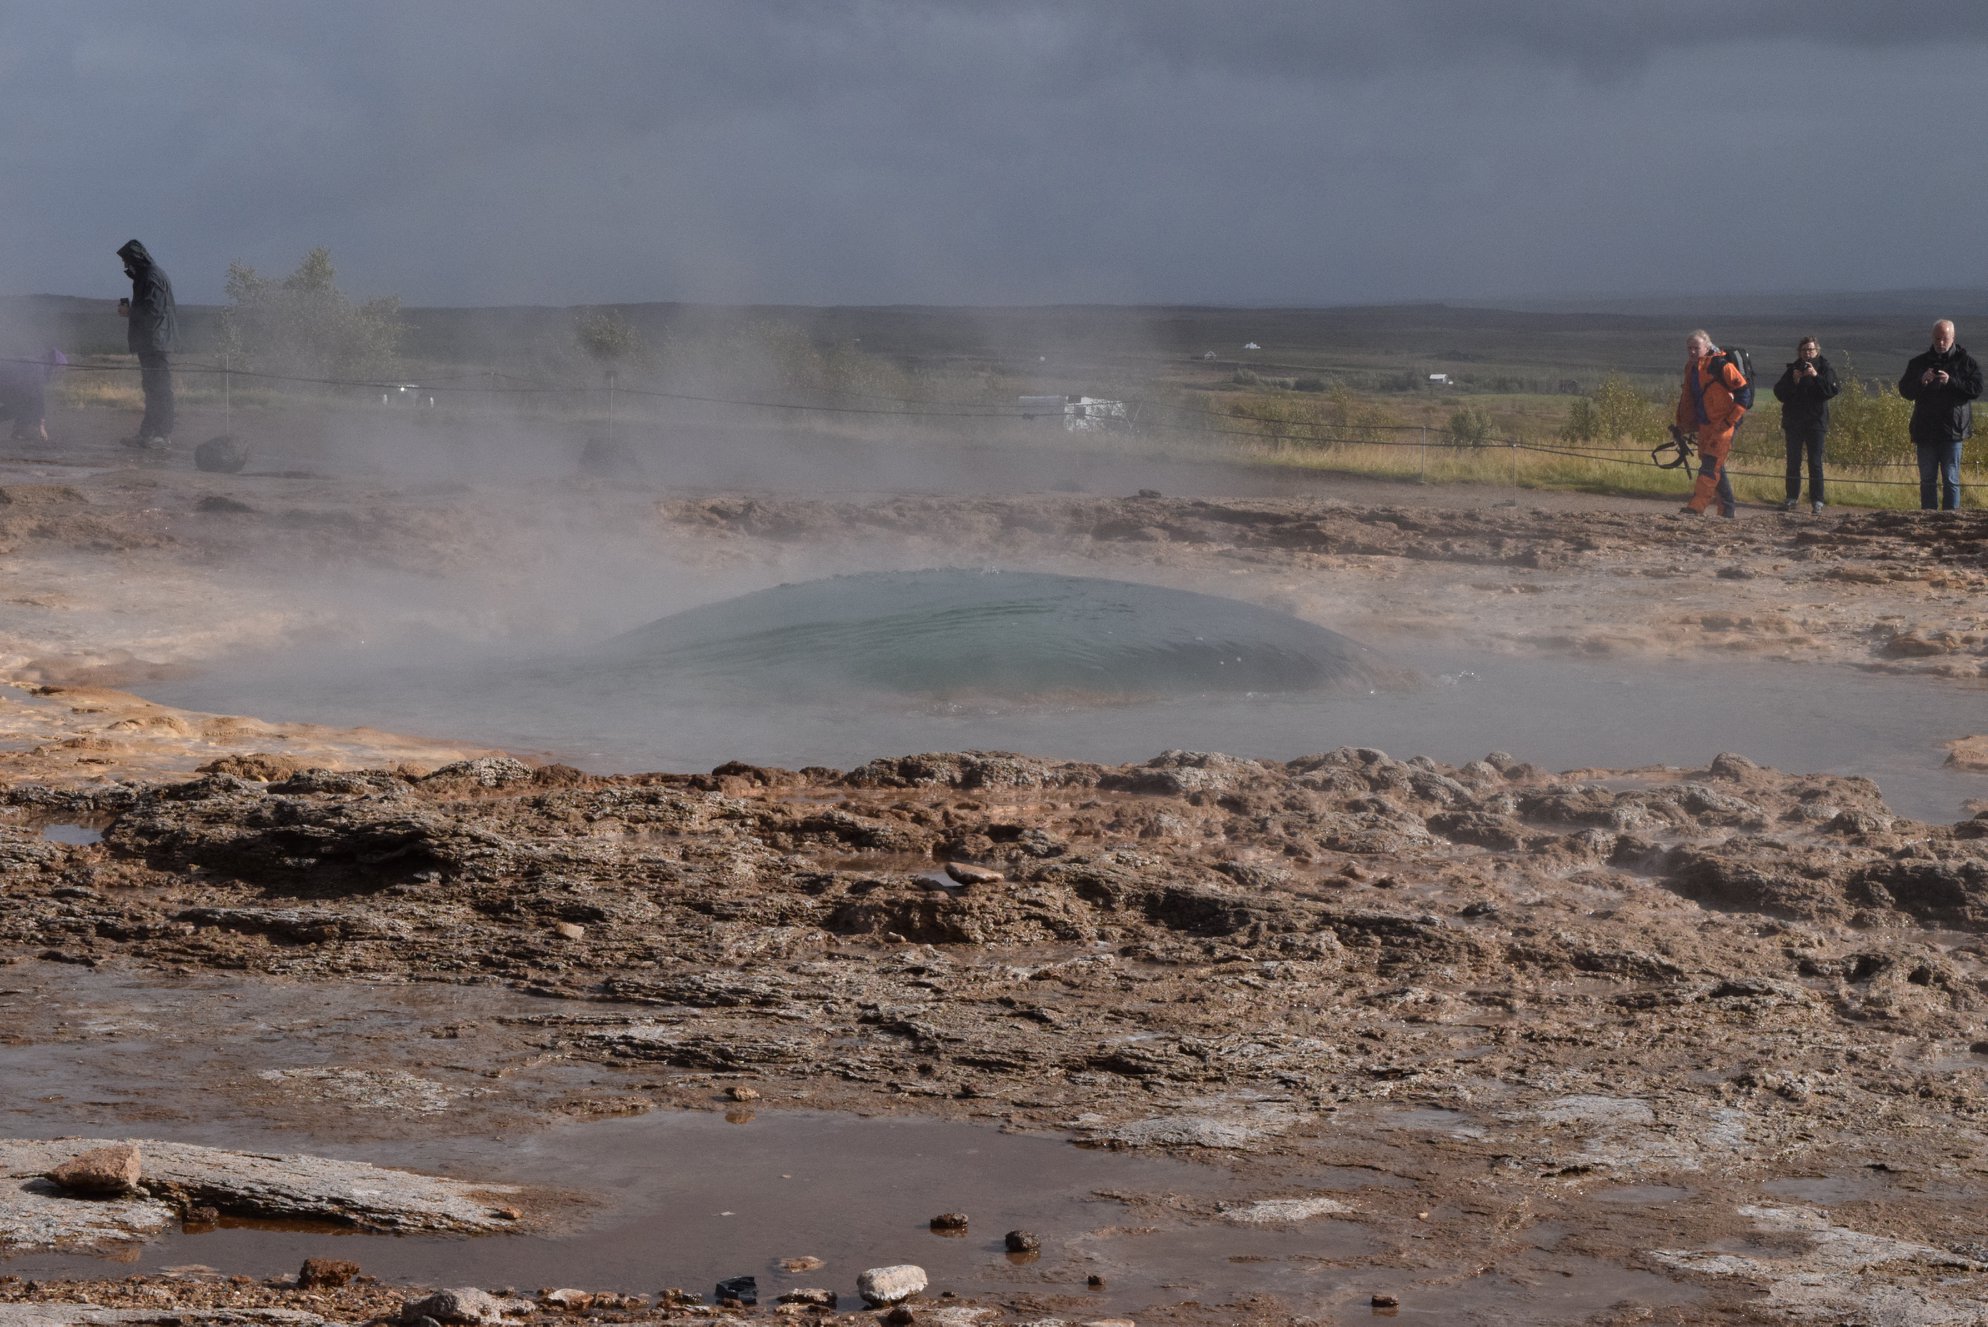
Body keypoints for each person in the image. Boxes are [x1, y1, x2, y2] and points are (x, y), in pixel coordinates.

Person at [1897, 319, 1982, 511]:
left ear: (1953, 338)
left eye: (1945, 338)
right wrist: (1922, 381)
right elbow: (1905, 391)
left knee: (1951, 478)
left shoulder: (1966, 363)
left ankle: (1951, 521)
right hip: (1925, 430)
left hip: (1953, 430)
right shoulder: (1918, 363)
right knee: (1927, 478)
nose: (1941, 343)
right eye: (1937, 338)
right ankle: (1928, 520)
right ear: (1932, 338)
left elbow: (1976, 389)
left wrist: (1951, 382)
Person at [1675, 329, 1748, 518]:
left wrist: (1728, 421)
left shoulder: (1721, 365)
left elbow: (1744, 394)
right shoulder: (1690, 368)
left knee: (1710, 466)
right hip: (1705, 424)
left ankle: (1695, 508)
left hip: (1723, 425)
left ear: (1707, 346)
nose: (1692, 351)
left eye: (1696, 347)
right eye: (1689, 348)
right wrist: (1684, 425)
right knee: (1715, 466)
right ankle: (1727, 511)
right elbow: (1690, 399)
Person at [116, 239, 178, 448]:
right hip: (151, 341)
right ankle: (148, 433)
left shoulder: (151, 276)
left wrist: (129, 312)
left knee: (160, 389)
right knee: (152, 388)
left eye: (127, 261)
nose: (126, 266)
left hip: (157, 341)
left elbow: (154, 311)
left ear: (136, 259)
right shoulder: (147, 275)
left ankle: (162, 435)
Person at [1771, 337, 1840, 513]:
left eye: (1810, 350)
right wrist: (1794, 382)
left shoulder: (1825, 369)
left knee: (1815, 463)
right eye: (1804, 350)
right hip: (1794, 422)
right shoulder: (1793, 369)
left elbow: (1832, 390)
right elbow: (1779, 392)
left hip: (1816, 423)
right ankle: (1791, 498)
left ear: (1817, 351)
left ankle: (1817, 501)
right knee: (1793, 462)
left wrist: (1816, 377)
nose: (1807, 353)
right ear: (1799, 352)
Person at [0, 348, 65, 442]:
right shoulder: (37, 369)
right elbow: (38, 398)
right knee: (25, 406)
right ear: (53, 365)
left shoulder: (36, 364)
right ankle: (19, 432)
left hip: (7, 386)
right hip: (4, 383)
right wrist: (41, 426)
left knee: (22, 405)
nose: (57, 373)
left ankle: (19, 432)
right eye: (58, 369)